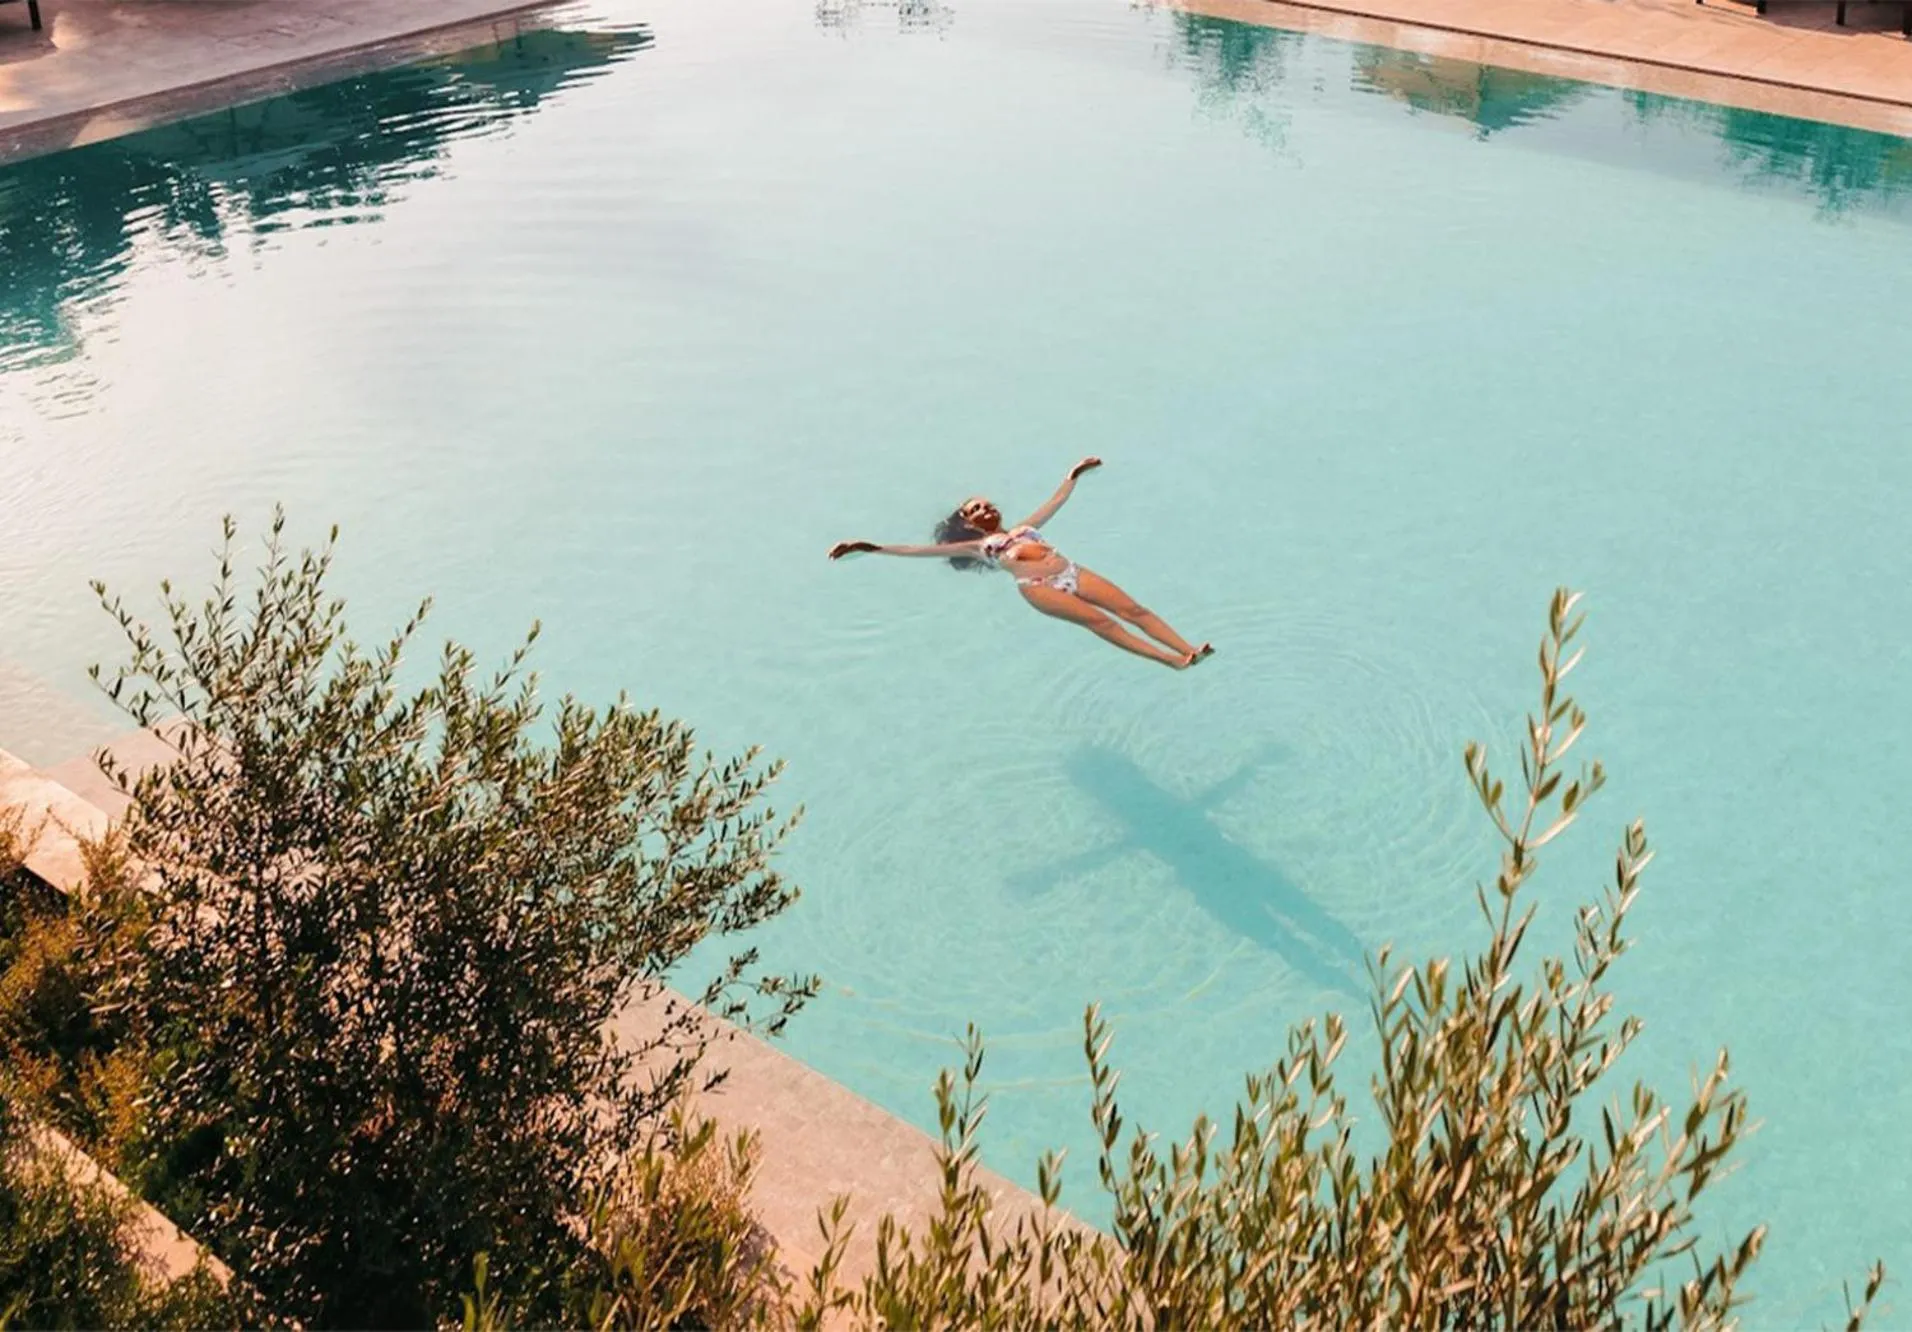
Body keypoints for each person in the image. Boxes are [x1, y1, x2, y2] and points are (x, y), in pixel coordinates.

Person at [828, 457, 1214, 670]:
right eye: (974, 509)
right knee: (1103, 623)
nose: (984, 509)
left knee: (1134, 610)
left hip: (1070, 571)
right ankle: (1172, 661)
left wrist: (1074, 475)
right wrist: (870, 547)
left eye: (986, 504)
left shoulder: (1026, 528)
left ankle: (1188, 648)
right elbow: (918, 551)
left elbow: (1055, 501)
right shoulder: (979, 547)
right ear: (967, 523)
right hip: (1039, 590)